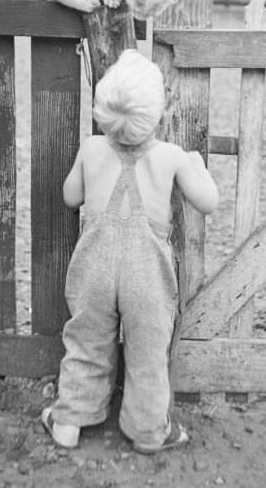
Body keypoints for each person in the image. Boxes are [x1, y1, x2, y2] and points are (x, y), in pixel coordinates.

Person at [42, 49, 219, 454]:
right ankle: (148, 431)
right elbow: (208, 201)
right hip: (147, 277)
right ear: (158, 113)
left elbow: (71, 197)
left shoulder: (91, 148)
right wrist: (196, 164)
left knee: (86, 343)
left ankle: (68, 421)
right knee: (147, 354)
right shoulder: (171, 157)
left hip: (93, 270)